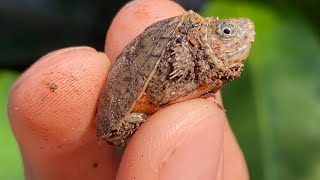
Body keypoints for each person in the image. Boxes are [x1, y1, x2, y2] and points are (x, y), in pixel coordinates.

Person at [7, 0, 249, 179]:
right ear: (199, 38)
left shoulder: (209, 63)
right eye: (226, 32)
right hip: (126, 112)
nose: (244, 34)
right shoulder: (185, 40)